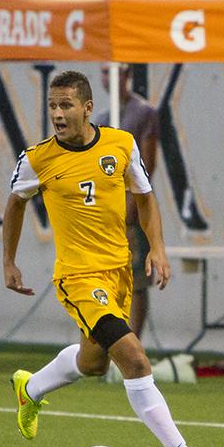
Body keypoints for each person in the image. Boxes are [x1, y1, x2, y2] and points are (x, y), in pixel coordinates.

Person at [2, 71, 222, 447]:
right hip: (78, 277)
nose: (57, 114)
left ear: (87, 108)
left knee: (92, 362)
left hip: (118, 270)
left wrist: (157, 247)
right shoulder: (37, 159)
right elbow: (15, 205)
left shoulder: (121, 144)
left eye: (66, 105)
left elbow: (145, 196)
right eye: (52, 106)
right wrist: (9, 263)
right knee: (134, 359)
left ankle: (29, 389)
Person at [96, 63, 159, 338]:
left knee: (136, 279)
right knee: (108, 278)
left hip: (131, 209)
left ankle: (133, 342)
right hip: (108, 210)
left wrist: (132, 206)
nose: (108, 78)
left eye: (114, 72)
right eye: (104, 72)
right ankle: (112, 343)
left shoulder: (143, 112)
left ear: (127, 75)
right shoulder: (103, 116)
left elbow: (147, 165)